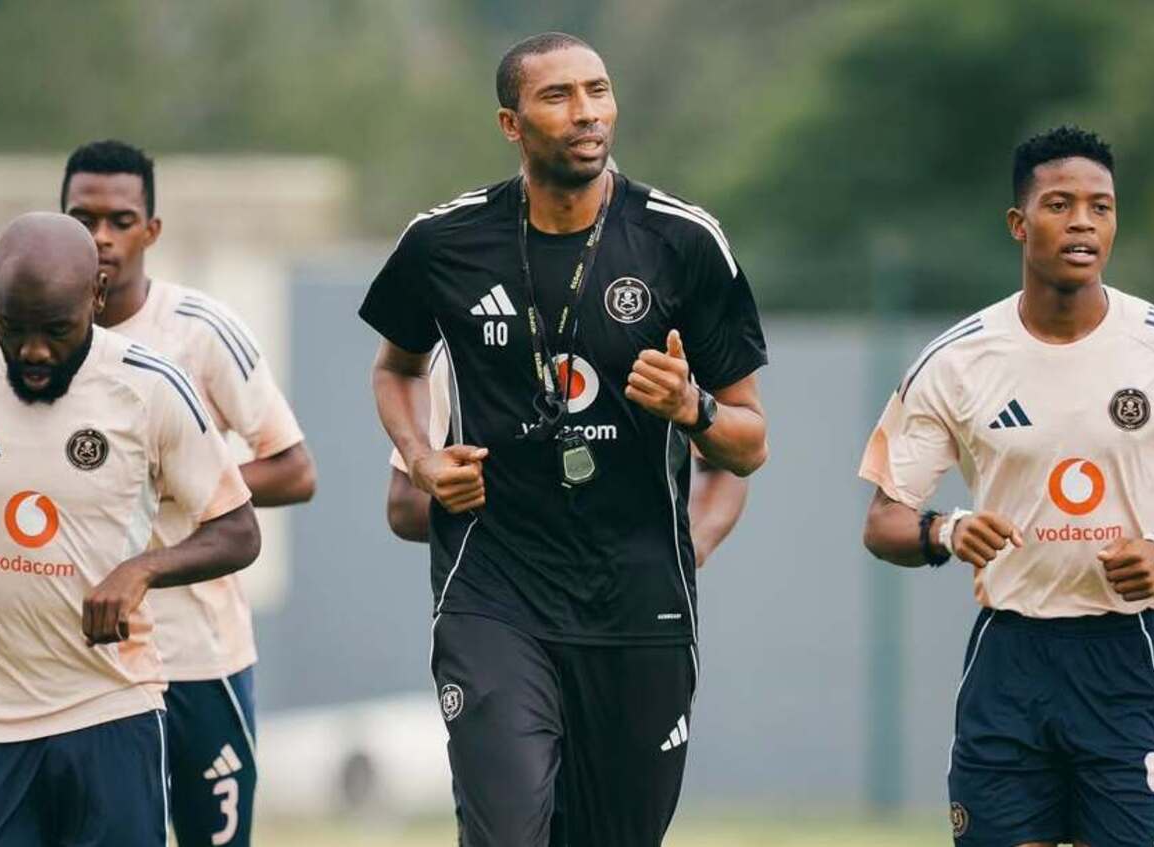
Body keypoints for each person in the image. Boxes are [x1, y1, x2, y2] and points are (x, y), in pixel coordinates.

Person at [360, 32, 769, 845]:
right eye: (558, 96)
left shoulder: (682, 242)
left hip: (638, 601)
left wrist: (692, 408)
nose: (586, 113)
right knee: (509, 829)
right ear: (511, 124)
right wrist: (422, 457)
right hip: (495, 594)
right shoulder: (445, 242)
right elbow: (395, 369)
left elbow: (748, 441)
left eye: (598, 91)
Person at [859, 126, 1154, 847]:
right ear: (1019, 223)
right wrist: (946, 531)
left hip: (1123, 654)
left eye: (1100, 207)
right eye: (1060, 204)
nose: (1082, 221)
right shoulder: (957, 361)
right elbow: (883, 520)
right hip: (1009, 659)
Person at [0, 212, 261, 846]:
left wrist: (140, 571)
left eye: (56, 331)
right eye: (14, 329)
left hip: (111, 708)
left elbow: (238, 530)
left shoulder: (150, 387)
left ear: (96, 296)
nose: (33, 351)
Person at [60, 139, 316, 846]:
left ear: (152, 229)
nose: (101, 237)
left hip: (200, 654)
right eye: (83, 219)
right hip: (87, 658)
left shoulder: (198, 332)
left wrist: (186, 484)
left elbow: (294, 468)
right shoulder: (37, 341)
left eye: (119, 219)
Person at [385, 342, 748, 564]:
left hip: (632, 597)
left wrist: (689, 548)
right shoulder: (465, 341)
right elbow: (403, 505)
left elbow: (729, 464)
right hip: (503, 597)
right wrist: (516, 508)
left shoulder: (658, 333)